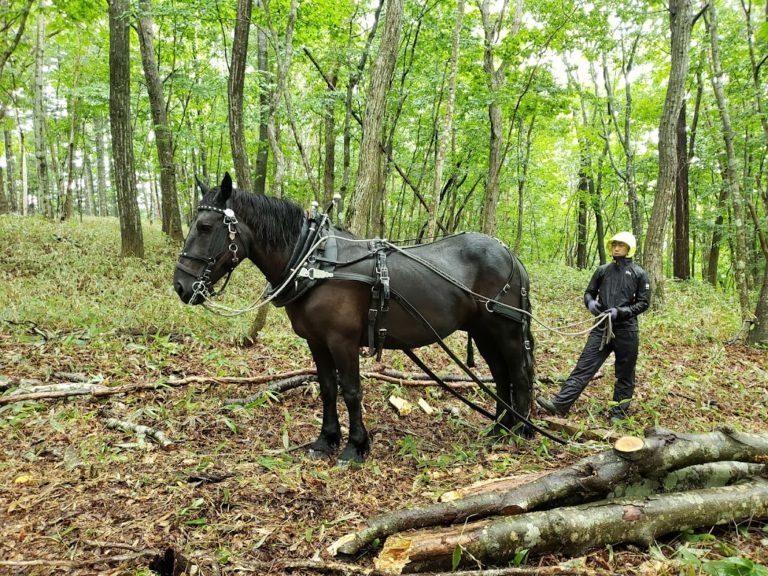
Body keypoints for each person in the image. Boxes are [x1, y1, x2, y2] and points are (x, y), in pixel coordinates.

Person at [537, 232, 651, 424]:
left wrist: (621, 312)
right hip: (600, 328)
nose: (616, 248)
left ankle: (618, 413)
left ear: (629, 248)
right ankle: (560, 404)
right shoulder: (602, 270)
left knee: (625, 372)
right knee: (584, 367)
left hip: (626, 330)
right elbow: (589, 292)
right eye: (614, 244)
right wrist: (590, 303)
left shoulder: (639, 274)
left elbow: (644, 303)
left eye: (620, 245)